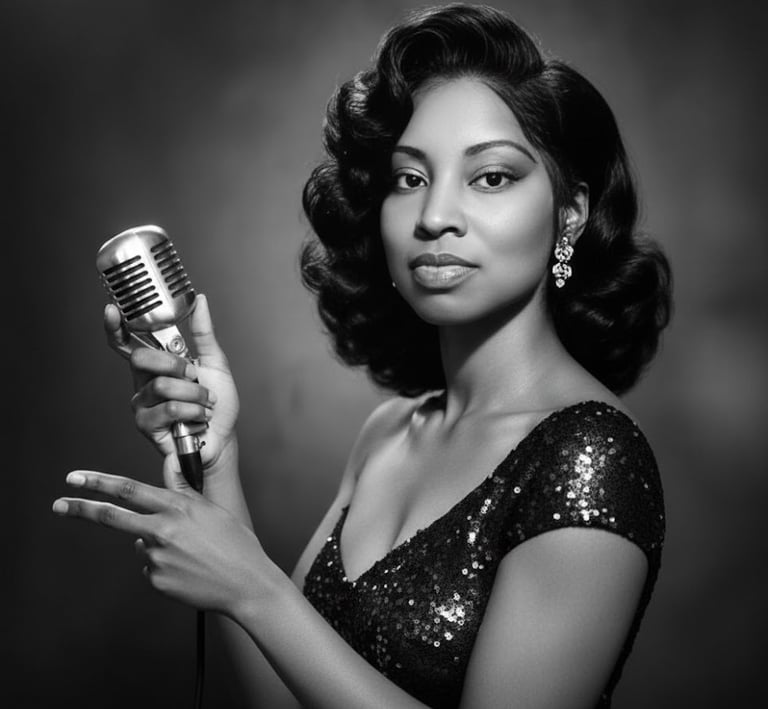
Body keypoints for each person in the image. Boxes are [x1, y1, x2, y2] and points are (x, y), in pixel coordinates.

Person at [53, 5, 672, 708]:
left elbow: (264, 604)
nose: (435, 214)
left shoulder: (590, 456)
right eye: (409, 178)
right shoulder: (389, 432)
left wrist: (256, 588)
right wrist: (217, 464)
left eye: (491, 177)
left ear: (571, 212)